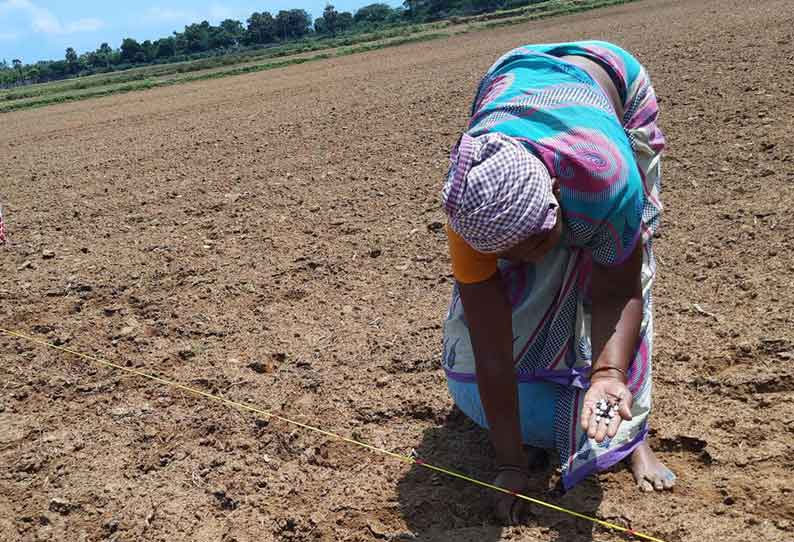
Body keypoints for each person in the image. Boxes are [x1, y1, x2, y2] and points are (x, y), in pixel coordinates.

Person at [440, 40, 675, 524]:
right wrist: (509, 463)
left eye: (534, 242)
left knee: (624, 266)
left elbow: (622, 289)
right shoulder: (470, 209)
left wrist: (608, 375)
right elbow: (490, 344)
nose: (521, 259)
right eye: (504, 254)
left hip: (613, 89)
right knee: (529, 287)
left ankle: (632, 437)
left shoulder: (607, 180)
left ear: (556, 197)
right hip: (511, 76)